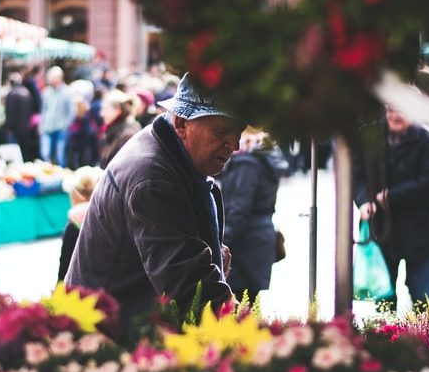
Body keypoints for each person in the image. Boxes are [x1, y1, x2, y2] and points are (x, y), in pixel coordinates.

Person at [65, 76, 244, 318]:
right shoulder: (153, 180)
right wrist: (242, 329)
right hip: (108, 332)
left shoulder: (168, 150)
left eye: (238, 132)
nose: (234, 145)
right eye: (222, 132)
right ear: (181, 124)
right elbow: (190, 285)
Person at [356, 107, 429, 309]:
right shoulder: (371, 137)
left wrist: (392, 196)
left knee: (425, 301)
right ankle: (386, 338)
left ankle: (425, 339)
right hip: (383, 230)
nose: (396, 116)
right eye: (391, 110)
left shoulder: (428, 141)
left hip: (418, 229)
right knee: (384, 303)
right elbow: (358, 174)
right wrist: (363, 201)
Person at [220, 130, 288, 303]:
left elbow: (239, 209)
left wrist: (222, 241)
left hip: (245, 244)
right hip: (258, 240)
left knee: (238, 308)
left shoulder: (246, 165)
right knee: (249, 304)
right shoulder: (265, 159)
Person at [57, 166, 104, 283]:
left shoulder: (73, 225)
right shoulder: (106, 214)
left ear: (75, 196)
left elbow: (65, 268)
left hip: (84, 289)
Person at [39, 66, 77, 166]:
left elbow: (72, 112)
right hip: (47, 128)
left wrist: (65, 125)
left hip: (61, 129)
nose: (49, 80)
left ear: (59, 78)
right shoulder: (47, 92)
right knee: (46, 156)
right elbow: (44, 110)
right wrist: (41, 125)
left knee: (60, 157)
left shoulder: (68, 92)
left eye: (51, 77)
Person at [99, 89, 142, 169]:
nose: (101, 113)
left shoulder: (128, 134)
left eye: (105, 109)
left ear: (118, 110)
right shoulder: (115, 130)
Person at [2, 72, 40, 163]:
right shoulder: (27, 93)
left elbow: (9, 113)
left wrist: (8, 128)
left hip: (14, 130)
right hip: (26, 129)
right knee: (24, 152)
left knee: (14, 155)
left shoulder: (11, 94)